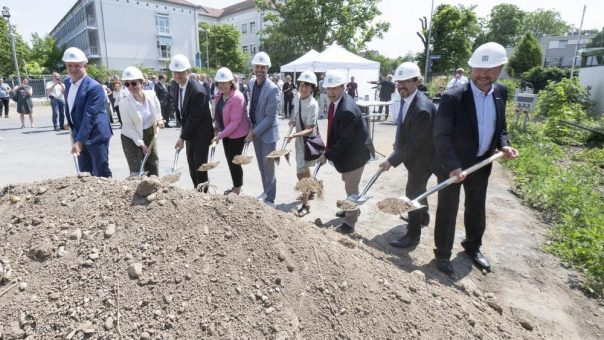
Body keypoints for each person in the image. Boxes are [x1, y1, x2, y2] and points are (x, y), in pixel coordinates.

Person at [432, 42, 519, 275]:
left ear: (500, 68)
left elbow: (501, 127)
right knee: (448, 210)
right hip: (453, 166)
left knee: (476, 208)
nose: (483, 74)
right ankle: (442, 254)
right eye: (478, 68)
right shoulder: (453, 97)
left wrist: (504, 145)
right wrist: (452, 166)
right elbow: (440, 136)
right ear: (471, 69)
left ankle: (473, 246)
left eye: (490, 69)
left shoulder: (501, 92)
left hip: (482, 163)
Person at [378, 62, 436, 248]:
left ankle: (413, 235)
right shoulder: (407, 99)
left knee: (413, 193)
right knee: (420, 189)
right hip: (415, 155)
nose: (401, 85)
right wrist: (398, 143)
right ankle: (424, 217)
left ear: (417, 81)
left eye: (406, 82)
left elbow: (415, 144)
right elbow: (403, 126)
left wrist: (391, 160)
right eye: (398, 82)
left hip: (425, 158)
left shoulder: (422, 108)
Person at [318, 70, 372, 234]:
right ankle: (350, 209)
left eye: (335, 88)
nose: (331, 92)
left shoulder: (347, 109)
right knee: (348, 184)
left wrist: (326, 155)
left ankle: (350, 223)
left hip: (355, 155)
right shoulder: (337, 103)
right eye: (328, 89)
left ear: (343, 87)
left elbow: (344, 141)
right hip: (348, 154)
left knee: (352, 189)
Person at [63, 47, 113, 177]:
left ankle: (108, 195)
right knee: (84, 172)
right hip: (79, 133)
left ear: (85, 66)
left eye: (77, 65)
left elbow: (89, 115)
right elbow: (70, 105)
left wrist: (79, 141)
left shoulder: (94, 87)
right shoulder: (67, 83)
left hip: (96, 135)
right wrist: (69, 122)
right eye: (70, 65)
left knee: (100, 170)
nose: (73, 69)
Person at [170, 54, 214, 189]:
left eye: (181, 72)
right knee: (192, 165)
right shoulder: (177, 86)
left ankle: (203, 196)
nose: (177, 76)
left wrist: (182, 137)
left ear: (188, 72)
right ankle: (197, 191)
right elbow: (182, 114)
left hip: (201, 134)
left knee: (200, 167)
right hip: (190, 133)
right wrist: (183, 135)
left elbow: (193, 118)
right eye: (175, 72)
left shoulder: (197, 91)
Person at [246, 51, 280, 207]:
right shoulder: (252, 83)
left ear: (268, 69)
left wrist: (254, 132)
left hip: (267, 135)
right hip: (256, 132)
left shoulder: (273, 89)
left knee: (269, 167)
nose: (260, 70)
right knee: (261, 167)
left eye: (263, 67)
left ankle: (271, 199)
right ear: (254, 68)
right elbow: (252, 108)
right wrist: (250, 128)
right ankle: (266, 192)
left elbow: (270, 117)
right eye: (257, 66)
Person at [211, 67, 251, 195]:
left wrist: (219, 136)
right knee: (229, 159)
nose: (221, 85)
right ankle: (235, 186)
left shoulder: (237, 97)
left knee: (234, 162)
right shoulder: (219, 96)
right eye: (219, 83)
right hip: (225, 133)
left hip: (237, 134)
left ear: (231, 82)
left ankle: (237, 189)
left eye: (225, 82)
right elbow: (217, 113)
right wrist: (216, 125)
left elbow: (235, 122)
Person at [119, 66, 164, 177]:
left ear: (142, 83)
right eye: (127, 84)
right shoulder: (124, 103)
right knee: (136, 167)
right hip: (130, 137)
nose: (130, 86)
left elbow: (157, 107)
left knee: (152, 160)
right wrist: (141, 144)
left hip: (149, 132)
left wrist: (159, 119)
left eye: (133, 83)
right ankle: (137, 189)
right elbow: (128, 127)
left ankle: (154, 185)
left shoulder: (151, 95)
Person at [285, 71, 320, 216]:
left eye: (307, 86)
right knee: (305, 170)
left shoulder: (313, 104)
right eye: (301, 85)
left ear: (312, 88)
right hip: (299, 141)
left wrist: (294, 135)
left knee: (301, 174)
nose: (303, 88)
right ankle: (312, 190)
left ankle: (306, 205)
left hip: (307, 142)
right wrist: (293, 121)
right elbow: (295, 114)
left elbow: (310, 129)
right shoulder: (297, 99)